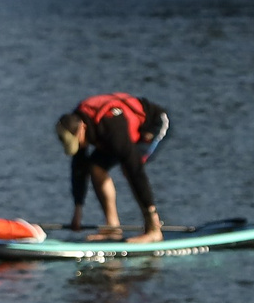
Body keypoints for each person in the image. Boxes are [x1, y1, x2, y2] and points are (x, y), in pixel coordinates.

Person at [56, 93, 170, 242]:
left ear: (82, 128)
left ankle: (154, 229)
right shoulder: (76, 123)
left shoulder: (112, 129)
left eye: (77, 142)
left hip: (152, 125)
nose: (78, 147)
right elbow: (79, 167)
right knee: (95, 167)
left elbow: (136, 171)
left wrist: (151, 215)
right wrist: (78, 209)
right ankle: (112, 227)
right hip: (119, 133)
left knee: (129, 169)